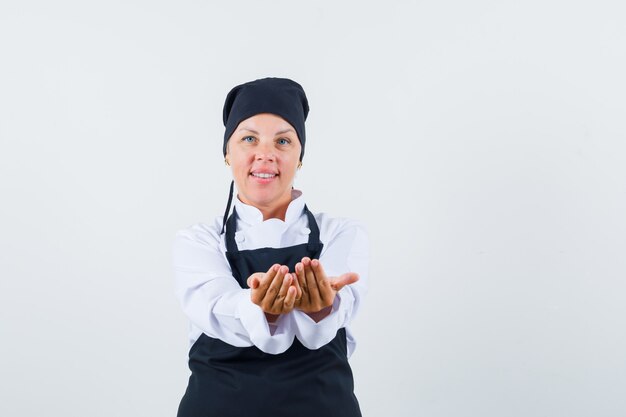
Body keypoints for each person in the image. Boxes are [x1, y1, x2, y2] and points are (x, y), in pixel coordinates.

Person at [172, 77, 369, 417]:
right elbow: (219, 306)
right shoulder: (199, 241)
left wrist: (321, 308)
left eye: (283, 141)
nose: (265, 154)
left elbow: (338, 309)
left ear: (300, 156)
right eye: (249, 138)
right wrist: (261, 307)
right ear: (227, 153)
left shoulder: (341, 234)